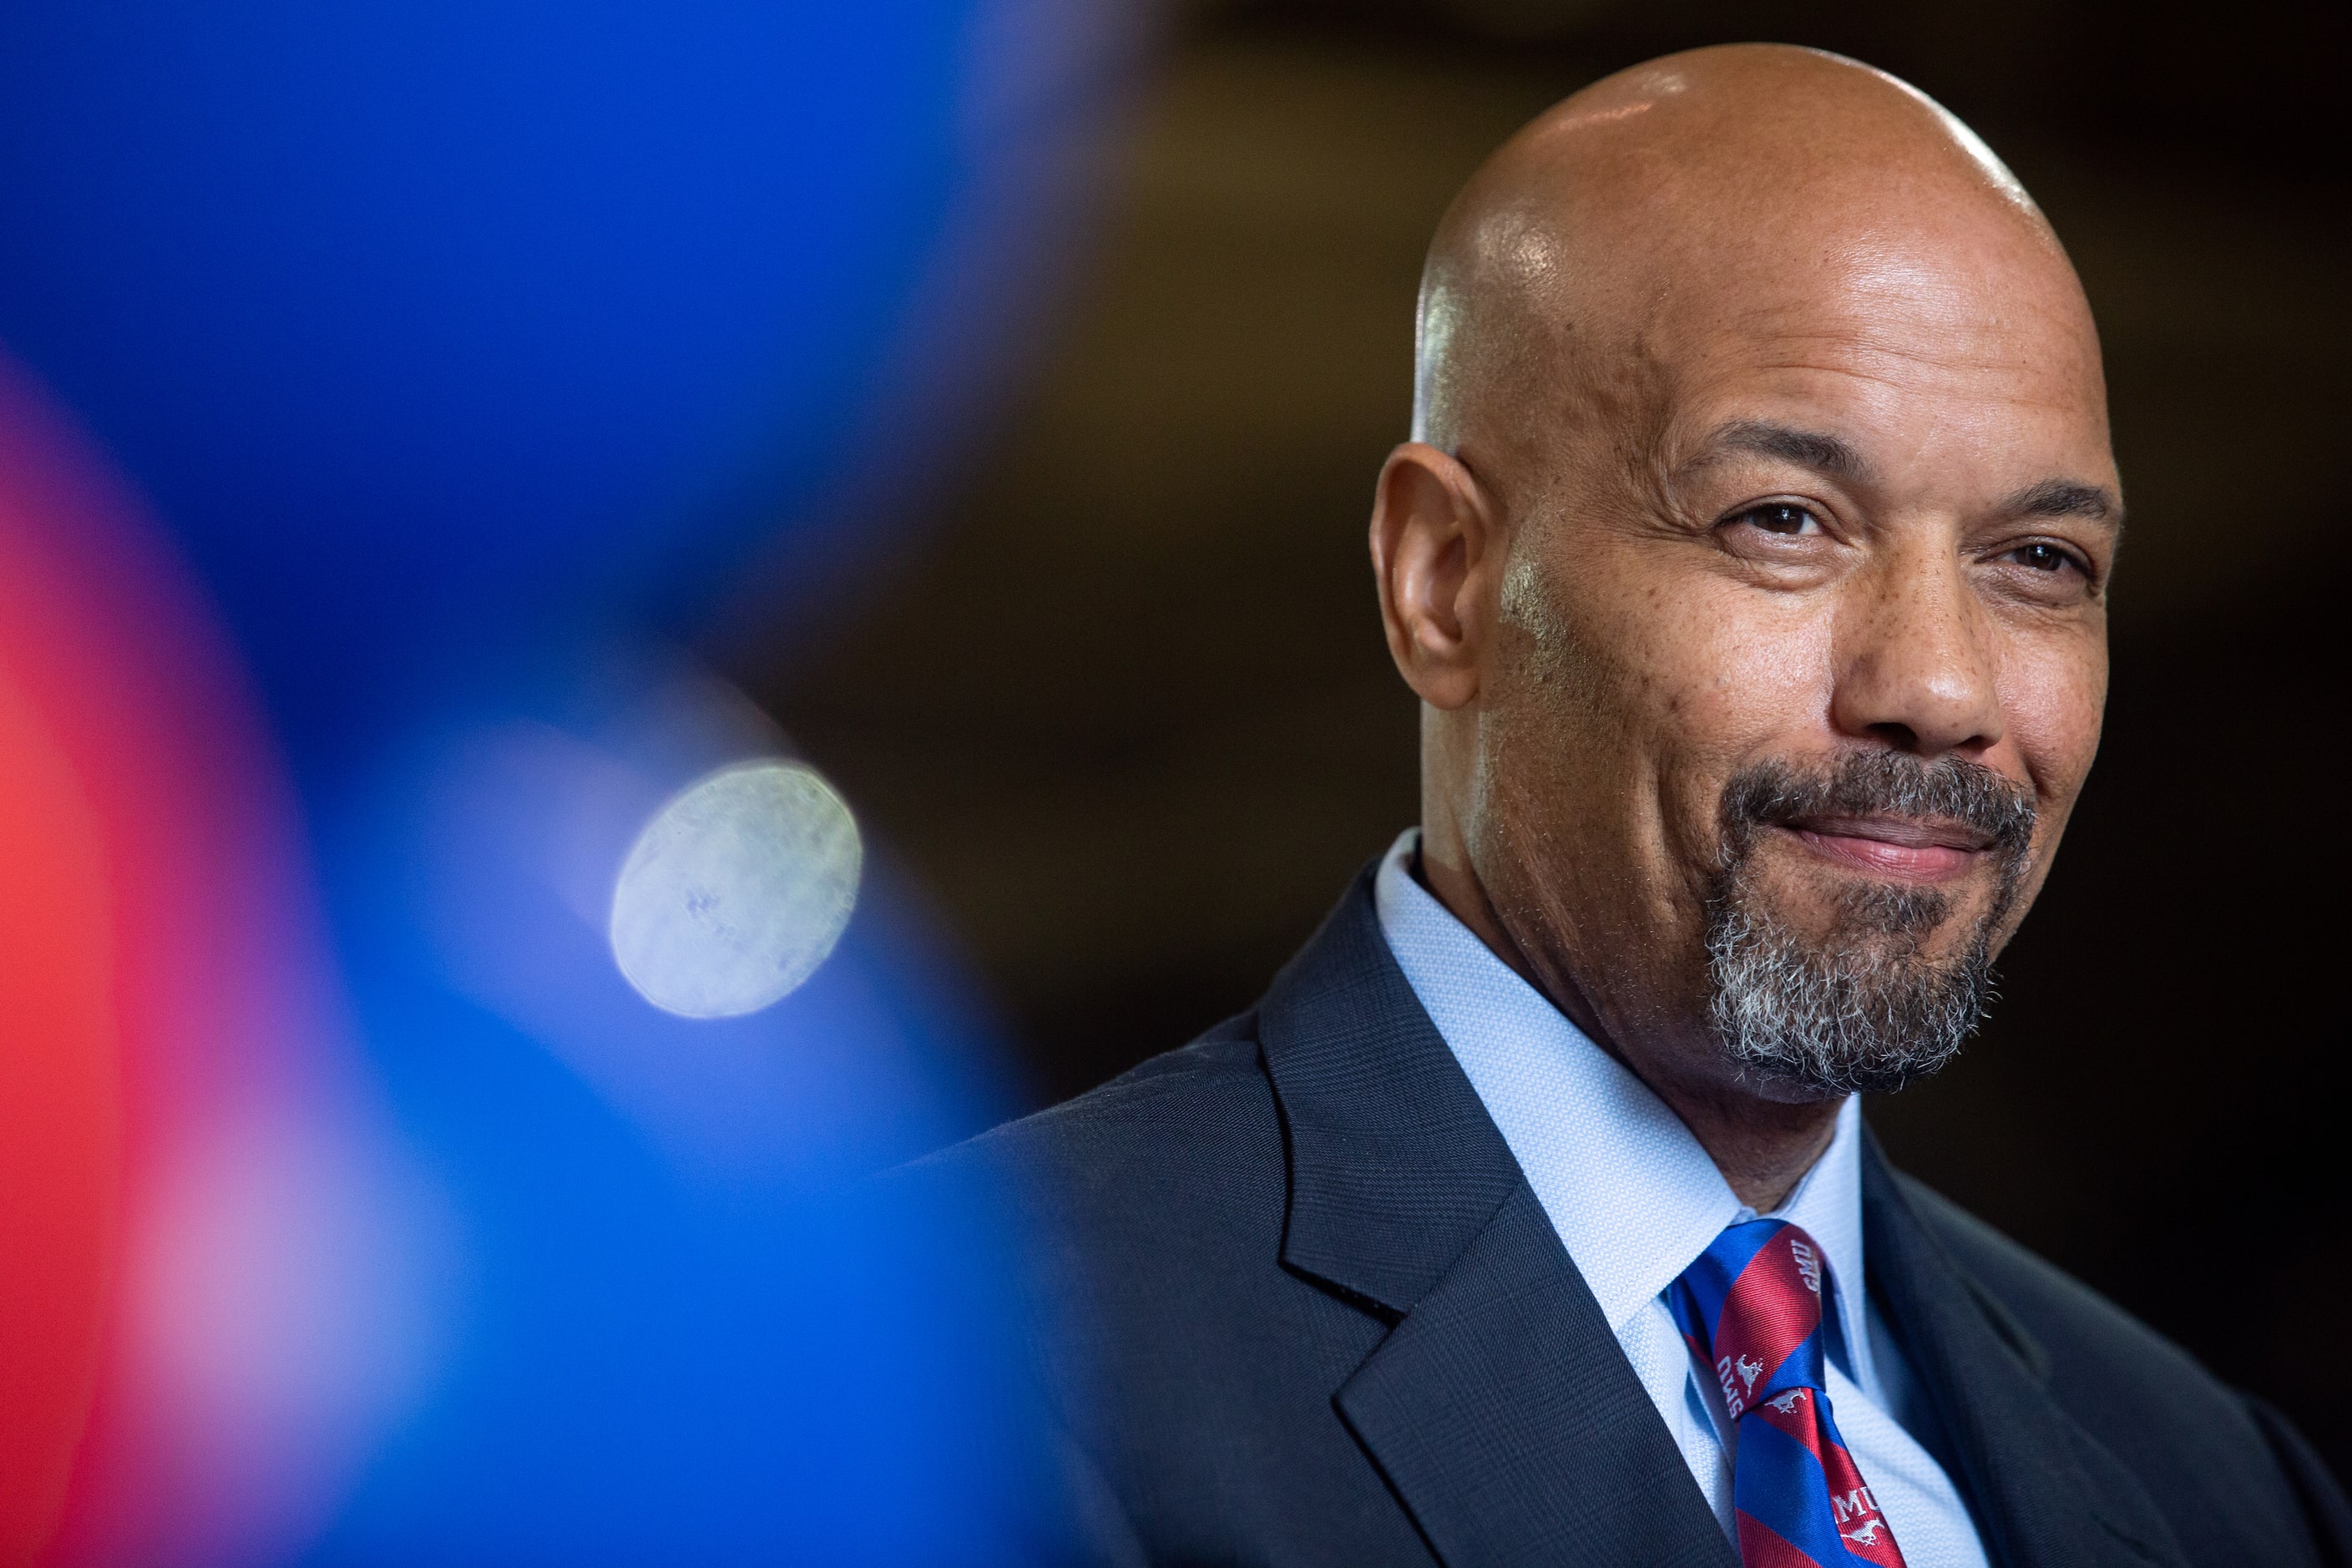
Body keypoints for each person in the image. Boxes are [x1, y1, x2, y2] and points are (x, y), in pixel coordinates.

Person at [921, 43, 2352, 1566]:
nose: (1940, 685)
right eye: (1785, 520)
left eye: (2039, 560)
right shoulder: (969, 1377)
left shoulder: (2219, 1488)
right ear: (1444, 581)